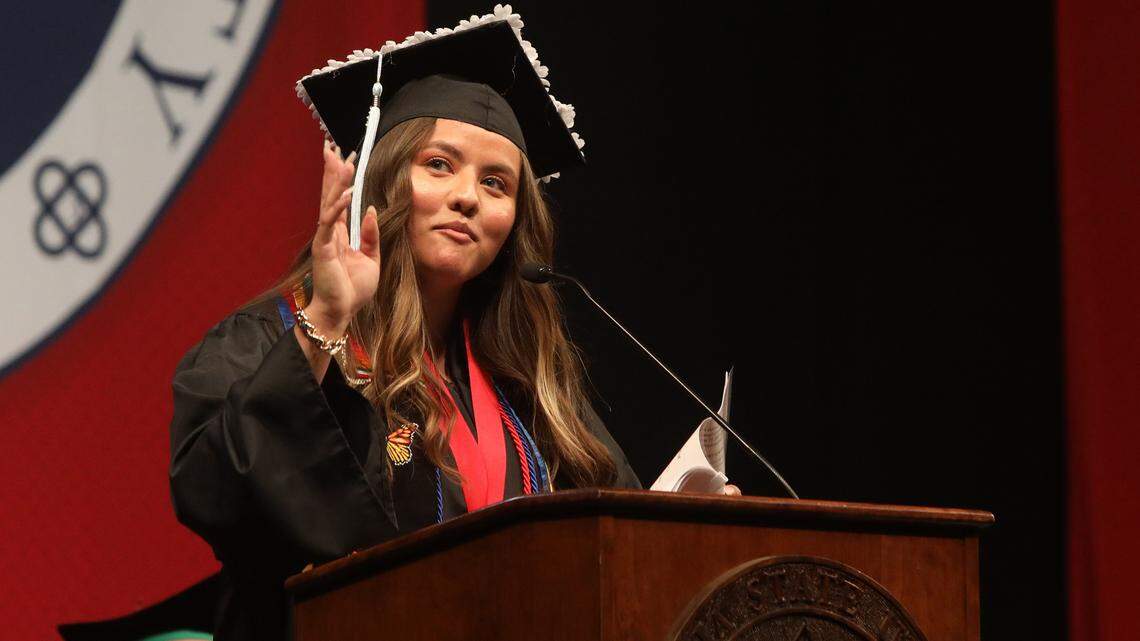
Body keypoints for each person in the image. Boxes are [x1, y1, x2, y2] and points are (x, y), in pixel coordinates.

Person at [168, 11, 642, 641]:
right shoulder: (273, 332)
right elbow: (212, 495)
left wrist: (698, 521)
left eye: (495, 183)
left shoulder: (526, 389)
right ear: (384, 179)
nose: (468, 196)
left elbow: (622, 523)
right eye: (439, 165)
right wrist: (327, 320)